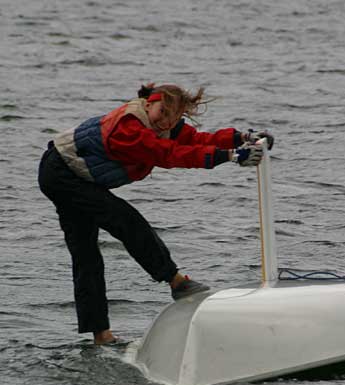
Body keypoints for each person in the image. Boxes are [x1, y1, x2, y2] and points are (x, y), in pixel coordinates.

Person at [38, 83, 274, 345]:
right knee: (126, 221)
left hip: (77, 177)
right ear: (149, 103)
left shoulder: (165, 125)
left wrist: (239, 138)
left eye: (174, 116)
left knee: (87, 257)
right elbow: (168, 154)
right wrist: (230, 156)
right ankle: (176, 282)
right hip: (60, 174)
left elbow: (196, 140)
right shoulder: (128, 128)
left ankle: (101, 336)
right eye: (163, 112)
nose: (167, 121)